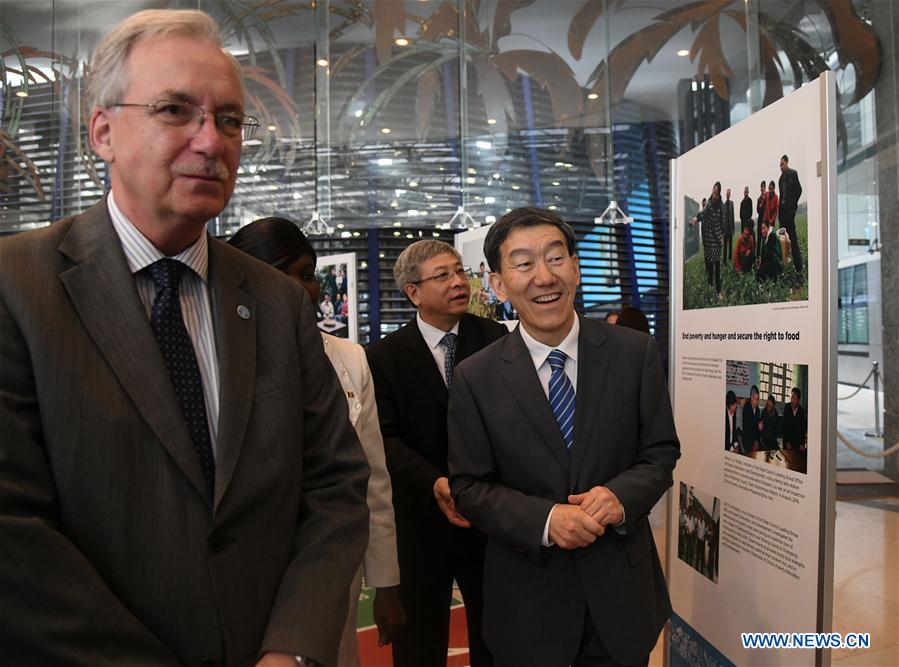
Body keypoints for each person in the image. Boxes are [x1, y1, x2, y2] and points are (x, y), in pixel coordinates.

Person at [0, 10, 370, 667]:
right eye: (175, 110)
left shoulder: (278, 302)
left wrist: (290, 650)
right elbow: (14, 529)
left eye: (229, 119)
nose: (211, 141)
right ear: (103, 132)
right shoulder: (18, 286)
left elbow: (334, 489)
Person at [447, 207, 680, 667]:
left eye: (555, 258)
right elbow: (469, 487)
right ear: (498, 284)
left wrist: (619, 497)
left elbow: (660, 452)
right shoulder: (476, 376)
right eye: (523, 263)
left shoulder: (634, 354)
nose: (543, 276)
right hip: (528, 607)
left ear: (575, 266)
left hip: (621, 599)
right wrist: (547, 520)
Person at [228, 217, 406, 665]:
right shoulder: (215, 356)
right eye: (278, 274)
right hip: (239, 572)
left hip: (330, 573)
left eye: (306, 274)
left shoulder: (349, 358)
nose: (298, 288)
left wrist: (385, 581)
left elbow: (372, 479)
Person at [367, 240, 506, 667]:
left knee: (497, 638)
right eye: (442, 275)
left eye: (460, 271)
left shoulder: (495, 339)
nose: (458, 282)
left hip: (487, 517)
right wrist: (434, 482)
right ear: (413, 292)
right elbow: (384, 438)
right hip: (420, 521)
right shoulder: (384, 356)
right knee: (420, 644)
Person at [691, 182, 725, 298]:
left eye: (716, 193)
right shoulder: (709, 204)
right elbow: (702, 213)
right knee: (710, 267)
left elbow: (722, 222)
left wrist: (722, 236)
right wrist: (696, 217)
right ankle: (710, 286)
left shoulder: (721, 205)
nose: (714, 194)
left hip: (717, 240)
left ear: (719, 194)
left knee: (718, 268)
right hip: (709, 241)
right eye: (713, 192)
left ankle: (718, 292)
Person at [778, 154, 804, 285]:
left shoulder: (793, 173)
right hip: (782, 215)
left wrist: (793, 207)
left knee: (793, 242)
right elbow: (781, 195)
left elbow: (799, 190)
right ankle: (786, 271)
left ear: (787, 162)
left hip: (789, 213)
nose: (781, 167)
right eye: (780, 165)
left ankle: (799, 273)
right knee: (784, 243)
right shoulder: (780, 179)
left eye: (782, 164)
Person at [742, 385, 763, 453]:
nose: (757, 402)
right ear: (751, 397)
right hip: (747, 437)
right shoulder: (746, 407)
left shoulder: (757, 410)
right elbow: (748, 427)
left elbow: (758, 429)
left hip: (755, 437)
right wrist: (758, 426)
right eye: (756, 399)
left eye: (758, 400)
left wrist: (756, 441)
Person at [723, 187, 735, 265]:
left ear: (730, 195)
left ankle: (730, 259)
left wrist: (733, 229)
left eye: (729, 193)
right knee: (725, 247)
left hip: (730, 229)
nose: (728, 194)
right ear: (726, 194)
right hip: (725, 229)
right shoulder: (723, 205)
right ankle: (724, 261)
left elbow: (733, 216)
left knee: (730, 245)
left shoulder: (731, 203)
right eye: (727, 193)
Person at [755, 179, 767, 244]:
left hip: (766, 220)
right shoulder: (759, 199)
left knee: (765, 238)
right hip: (760, 220)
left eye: (763, 186)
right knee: (759, 237)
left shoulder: (768, 196)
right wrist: (762, 201)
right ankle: (758, 253)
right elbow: (758, 210)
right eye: (761, 187)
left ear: (765, 187)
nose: (762, 188)